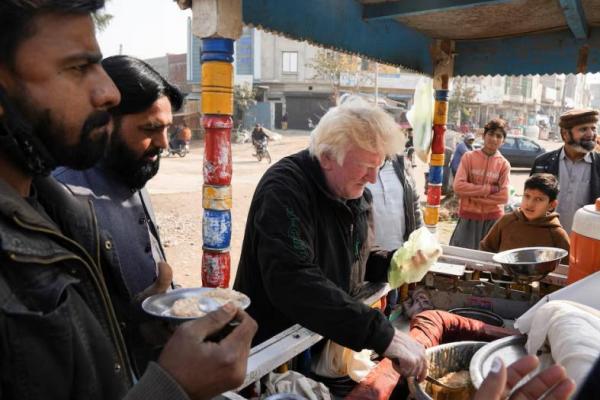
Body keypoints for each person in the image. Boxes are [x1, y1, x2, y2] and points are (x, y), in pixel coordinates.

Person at [0, 1, 256, 399]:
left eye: (98, 65)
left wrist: (146, 319)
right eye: (75, 67)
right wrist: (170, 388)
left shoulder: (51, 208)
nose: (108, 92)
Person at [234, 98, 430, 388]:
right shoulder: (285, 188)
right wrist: (381, 334)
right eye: (366, 166)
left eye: (380, 165)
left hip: (325, 340)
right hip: (272, 352)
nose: (373, 178)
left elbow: (358, 257)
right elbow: (292, 279)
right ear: (327, 157)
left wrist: (395, 263)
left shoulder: (355, 190)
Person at [53, 55, 182, 374]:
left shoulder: (132, 171)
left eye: (166, 129)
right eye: (150, 129)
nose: (163, 143)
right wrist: (137, 317)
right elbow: (65, 333)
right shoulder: (62, 196)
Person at [366, 153, 422, 314]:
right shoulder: (357, 166)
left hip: (397, 256)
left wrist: (420, 241)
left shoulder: (400, 162)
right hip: (366, 260)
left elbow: (414, 205)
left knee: (390, 305)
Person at [531, 108, 600, 233]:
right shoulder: (542, 163)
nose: (591, 134)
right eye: (583, 129)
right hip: (546, 238)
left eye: (593, 128)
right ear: (565, 134)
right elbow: (530, 202)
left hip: (587, 241)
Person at [450, 119, 511, 249]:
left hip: (493, 219)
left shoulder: (504, 164)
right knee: (463, 258)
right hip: (468, 216)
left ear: (503, 141)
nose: (494, 139)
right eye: (491, 134)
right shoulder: (469, 157)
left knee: (487, 262)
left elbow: (504, 197)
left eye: (499, 136)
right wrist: (489, 189)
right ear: (484, 136)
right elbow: (458, 187)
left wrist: (471, 195)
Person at [480, 173, 570, 254]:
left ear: (552, 205)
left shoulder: (557, 234)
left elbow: (566, 268)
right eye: (527, 196)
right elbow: (486, 250)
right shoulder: (506, 221)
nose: (530, 204)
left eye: (539, 199)